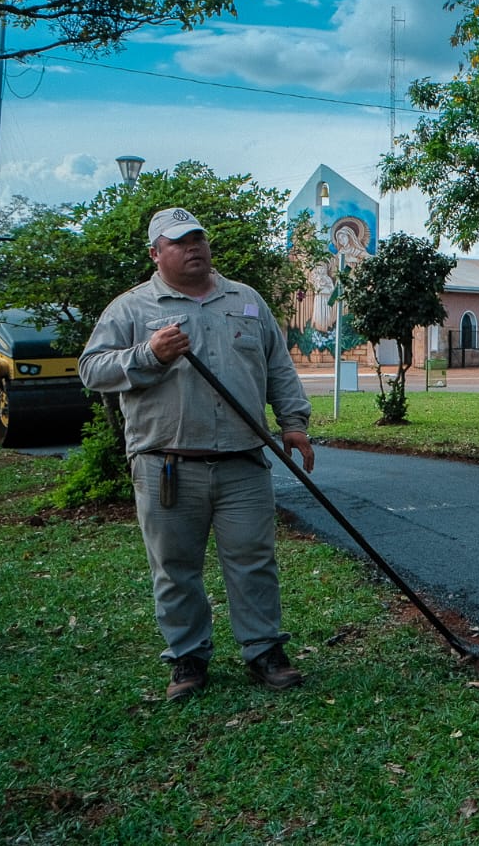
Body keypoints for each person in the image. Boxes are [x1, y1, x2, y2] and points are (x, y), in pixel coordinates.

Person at [79, 207, 315, 702]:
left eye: (198, 239)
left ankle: (264, 651)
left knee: (254, 560)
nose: (194, 249)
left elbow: (278, 365)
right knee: (174, 565)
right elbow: (92, 370)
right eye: (179, 242)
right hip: (166, 465)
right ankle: (187, 659)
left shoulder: (245, 300)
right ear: (155, 253)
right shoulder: (131, 309)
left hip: (243, 461)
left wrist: (293, 423)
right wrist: (149, 355)